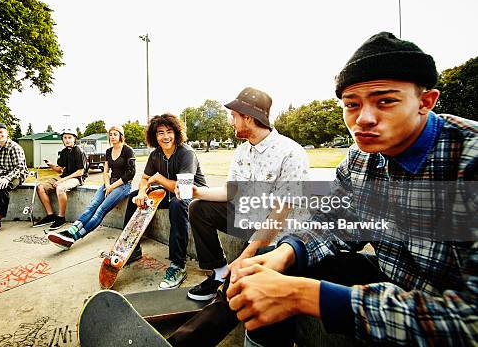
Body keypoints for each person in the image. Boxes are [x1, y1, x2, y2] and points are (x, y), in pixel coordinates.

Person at [183, 32, 476, 346]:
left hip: (443, 300)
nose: (363, 119)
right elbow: (333, 222)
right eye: (351, 104)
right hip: (388, 271)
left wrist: (306, 295)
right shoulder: (360, 157)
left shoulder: (468, 159)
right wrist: (286, 253)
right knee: (266, 266)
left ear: (425, 102)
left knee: (274, 263)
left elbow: (470, 321)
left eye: (385, 101)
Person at [181, 87, 309, 302]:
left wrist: (245, 256)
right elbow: (231, 192)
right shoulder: (242, 151)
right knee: (198, 207)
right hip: (251, 219)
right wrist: (197, 191)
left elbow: (281, 214)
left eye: (234, 116)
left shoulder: (291, 152)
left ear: (248, 118)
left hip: (281, 232)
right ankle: (220, 272)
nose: (231, 122)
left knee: (241, 293)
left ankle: (231, 285)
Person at [125, 113, 208, 290]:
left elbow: (184, 190)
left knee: (177, 205)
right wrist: (141, 191)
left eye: (169, 131)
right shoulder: (156, 155)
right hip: (170, 193)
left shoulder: (187, 153)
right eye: (160, 133)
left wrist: (159, 178)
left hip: (195, 195)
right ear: (154, 137)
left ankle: (178, 265)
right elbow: (145, 178)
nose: (165, 136)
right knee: (133, 198)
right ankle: (132, 250)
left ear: (176, 133)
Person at [48, 125, 136, 248]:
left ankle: (75, 237)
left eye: (115, 134)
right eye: (110, 134)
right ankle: (71, 231)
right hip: (109, 183)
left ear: (121, 136)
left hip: (123, 185)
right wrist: (107, 185)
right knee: (92, 206)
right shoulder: (108, 151)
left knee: (100, 210)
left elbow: (131, 173)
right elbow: (105, 172)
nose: (112, 137)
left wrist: (111, 187)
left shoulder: (128, 150)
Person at [32, 129, 87, 231]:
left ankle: (61, 218)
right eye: (65, 138)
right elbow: (60, 170)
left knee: (60, 188)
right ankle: (50, 215)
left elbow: (80, 172)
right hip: (64, 176)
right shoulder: (63, 152)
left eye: (69, 137)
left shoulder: (78, 151)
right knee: (40, 187)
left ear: (74, 138)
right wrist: (51, 165)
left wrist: (62, 180)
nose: (67, 140)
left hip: (77, 178)